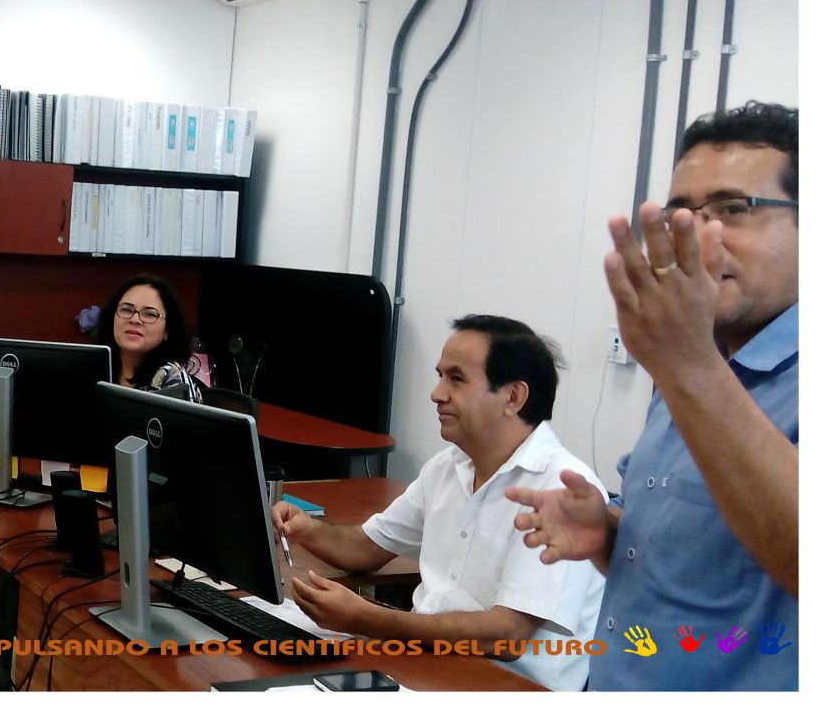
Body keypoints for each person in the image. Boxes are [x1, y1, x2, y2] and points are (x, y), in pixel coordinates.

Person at [507, 102, 798, 691]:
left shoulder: (692, 366)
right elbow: (708, 559)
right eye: (680, 215)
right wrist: (609, 535)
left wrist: (687, 365)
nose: (696, 236)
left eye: (733, 209)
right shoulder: (692, 365)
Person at [274, 315, 606, 691]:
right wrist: (306, 529)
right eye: (440, 376)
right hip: (425, 662)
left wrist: (368, 620)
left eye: (456, 379)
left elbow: (507, 635)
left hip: (505, 688)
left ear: (513, 397)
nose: (436, 393)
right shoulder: (449, 465)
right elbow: (366, 548)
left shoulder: (560, 489)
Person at [94, 274, 202, 402]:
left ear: (167, 330)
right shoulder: (95, 368)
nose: (135, 319)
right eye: (126, 310)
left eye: (150, 314)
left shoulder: (173, 379)